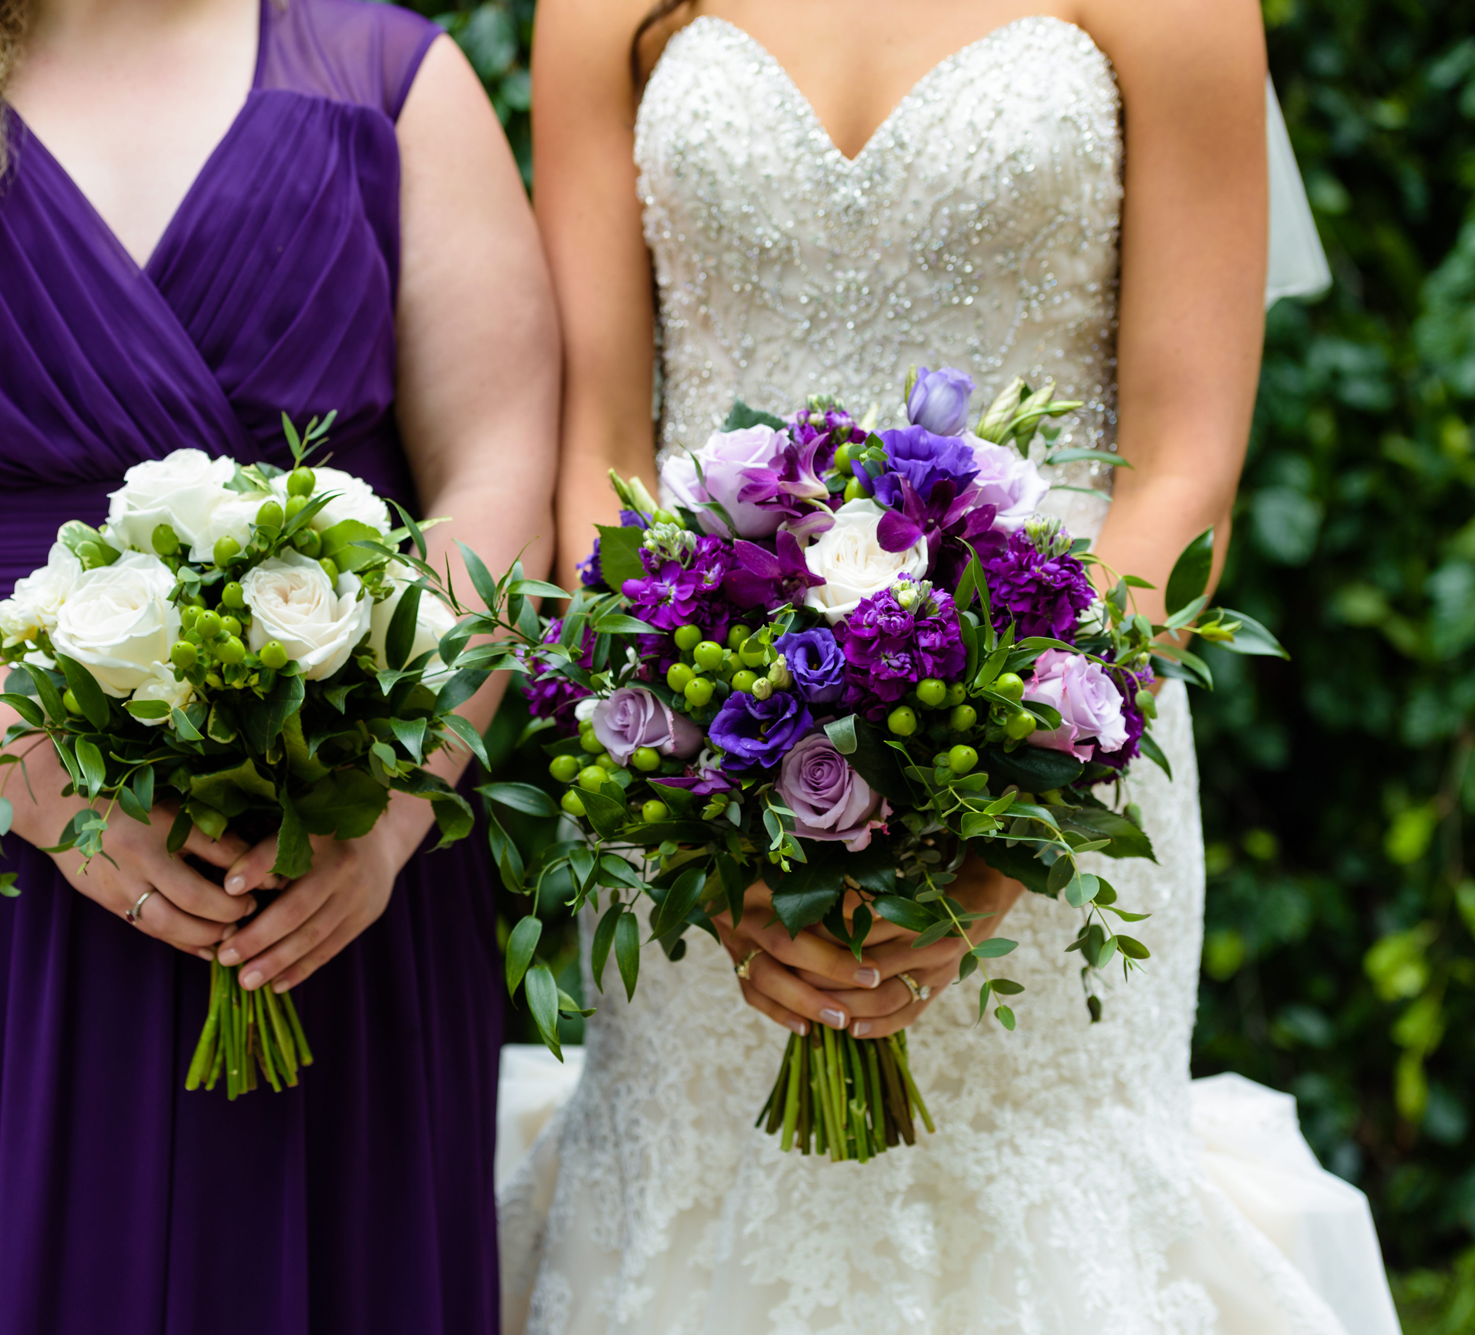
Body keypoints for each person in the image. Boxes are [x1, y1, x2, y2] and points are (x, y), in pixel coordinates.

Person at [501, 0, 1401, 1330]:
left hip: (1053, 744)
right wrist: (699, 797)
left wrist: (1017, 805)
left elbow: (1185, 468)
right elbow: (599, 447)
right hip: (695, 757)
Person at [0, 0, 558, 1324]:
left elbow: (500, 467)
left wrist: (390, 802)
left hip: (327, 872)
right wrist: (46, 785)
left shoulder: (392, 79)